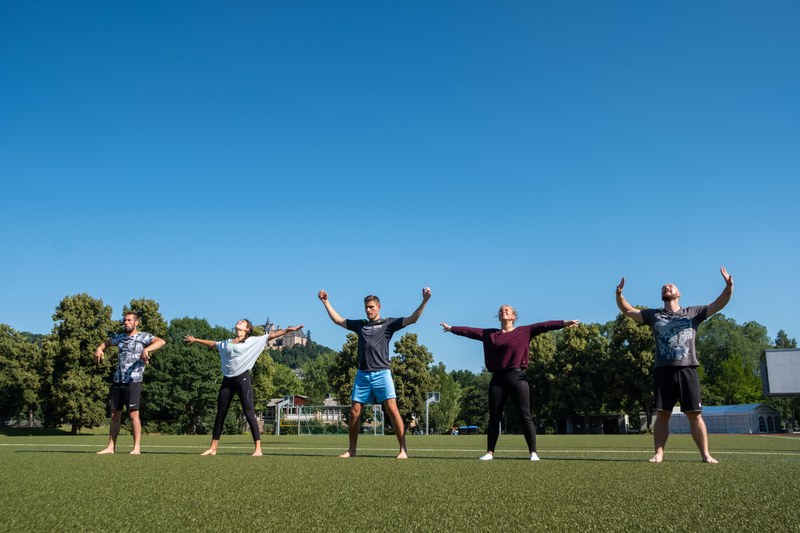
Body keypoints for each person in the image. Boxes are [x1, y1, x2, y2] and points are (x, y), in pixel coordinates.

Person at [616, 267, 734, 464]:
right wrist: (619, 295)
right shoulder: (654, 315)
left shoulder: (693, 313)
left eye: (670, 286)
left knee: (694, 415)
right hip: (663, 371)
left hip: (688, 368)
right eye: (663, 287)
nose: (666, 287)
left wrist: (729, 287)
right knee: (662, 414)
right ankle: (659, 454)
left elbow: (718, 304)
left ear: (679, 294)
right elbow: (628, 310)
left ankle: (705, 454)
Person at [441, 307, 579, 461]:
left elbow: (545, 325)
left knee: (525, 416)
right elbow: (469, 331)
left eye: (507, 310)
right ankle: (489, 453)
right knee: (494, 416)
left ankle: (533, 453)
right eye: (501, 310)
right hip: (497, 379)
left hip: (517, 377)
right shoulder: (490, 334)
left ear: (513, 316)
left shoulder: (524, 331)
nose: (503, 311)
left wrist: (565, 323)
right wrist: (451, 328)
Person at [318, 287, 432, 459]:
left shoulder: (388, 324)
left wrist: (424, 301)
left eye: (371, 307)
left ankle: (403, 450)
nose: (368, 310)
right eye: (366, 307)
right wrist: (326, 302)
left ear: (379, 307)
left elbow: (412, 319)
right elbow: (339, 321)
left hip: (382, 374)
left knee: (393, 410)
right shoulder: (360, 325)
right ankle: (352, 450)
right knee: (354, 412)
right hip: (362, 375)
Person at [185, 319, 304, 456]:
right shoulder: (227, 342)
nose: (239, 322)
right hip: (227, 380)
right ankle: (213, 448)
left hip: (242, 378)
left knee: (249, 413)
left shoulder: (252, 341)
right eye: (239, 321)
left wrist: (288, 330)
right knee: (220, 414)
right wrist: (196, 340)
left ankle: (258, 449)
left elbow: (272, 335)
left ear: (247, 329)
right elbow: (213, 344)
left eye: (242, 322)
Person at [95, 311, 166, 455]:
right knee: (115, 414)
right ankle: (110, 447)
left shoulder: (143, 337)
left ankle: (136, 448)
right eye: (124, 320)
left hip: (134, 380)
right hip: (118, 380)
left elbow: (161, 341)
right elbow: (106, 343)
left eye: (129, 320)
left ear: (136, 322)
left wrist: (147, 349)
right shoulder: (120, 338)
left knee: (133, 414)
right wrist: (99, 348)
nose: (126, 323)